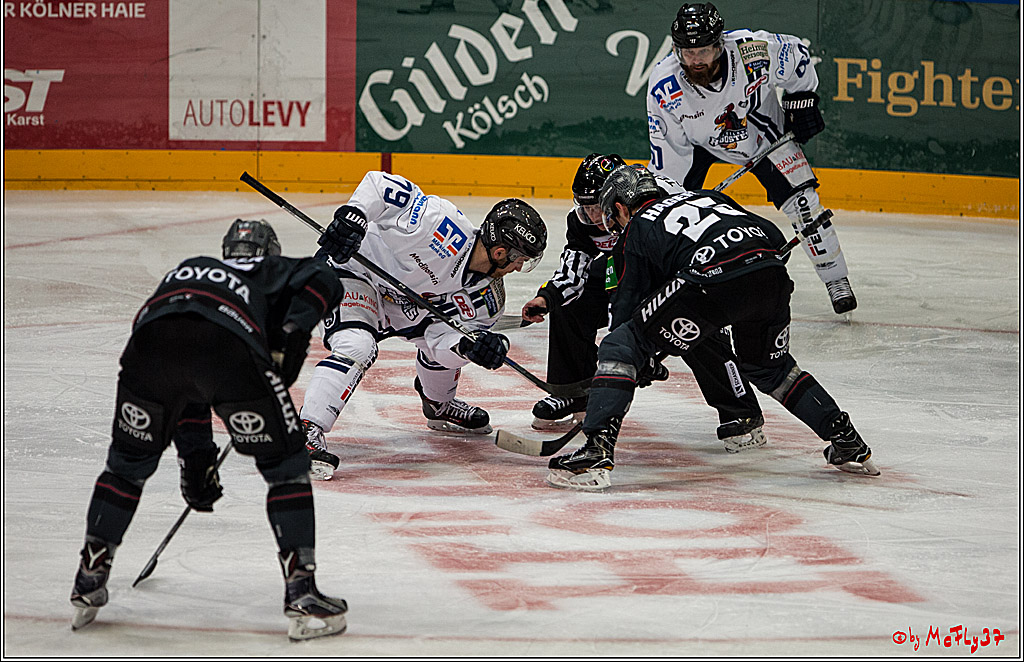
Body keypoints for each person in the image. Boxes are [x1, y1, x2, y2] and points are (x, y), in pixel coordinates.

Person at [70, 220, 349, 640]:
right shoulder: (266, 270)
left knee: (126, 465)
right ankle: (301, 592)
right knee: (286, 465)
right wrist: (294, 329)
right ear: (268, 251)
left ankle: (90, 575)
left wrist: (197, 461)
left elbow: (187, 388)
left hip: (147, 348)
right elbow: (325, 277)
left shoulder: (192, 266)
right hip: (225, 347)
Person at [545, 164, 879, 492]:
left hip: (711, 283)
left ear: (619, 207)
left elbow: (626, 310)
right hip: (770, 275)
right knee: (771, 368)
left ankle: (596, 453)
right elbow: (774, 237)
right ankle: (845, 437)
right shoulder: (705, 197)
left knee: (620, 345)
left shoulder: (637, 227)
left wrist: (634, 361)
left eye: (612, 216)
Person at [300, 171, 547, 480]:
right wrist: (354, 215)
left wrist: (467, 347)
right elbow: (380, 186)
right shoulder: (439, 226)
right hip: (355, 274)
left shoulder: (486, 301)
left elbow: (438, 343)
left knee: (446, 348)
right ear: (500, 252)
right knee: (357, 346)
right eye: (520, 259)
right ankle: (308, 431)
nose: (519, 268)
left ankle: (438, 405)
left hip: (406, 309)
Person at [521, 152, 766, 453]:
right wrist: (547, 298)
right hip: (624, 265)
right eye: (586, 209)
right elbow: (575, 270)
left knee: (694, 322)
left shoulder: (662, 198)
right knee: (572, 301)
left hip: (676, 269)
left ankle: (741, 412)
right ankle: (576, 390)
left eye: (599, 207)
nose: (595, 218)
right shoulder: (584, 222)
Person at [646, 2, 857, 315]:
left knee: (804, 202)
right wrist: (675, 198)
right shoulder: (665, 87)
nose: (696, 61)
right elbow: (670, 158)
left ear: (720, 44)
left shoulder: (752, 51)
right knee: (671, 212)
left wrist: (803, 99)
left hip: (762, 136)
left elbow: (797, 54)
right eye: (687, 53)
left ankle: (835, 278)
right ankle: (665, 283)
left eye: (703, 51)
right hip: (698, 145)